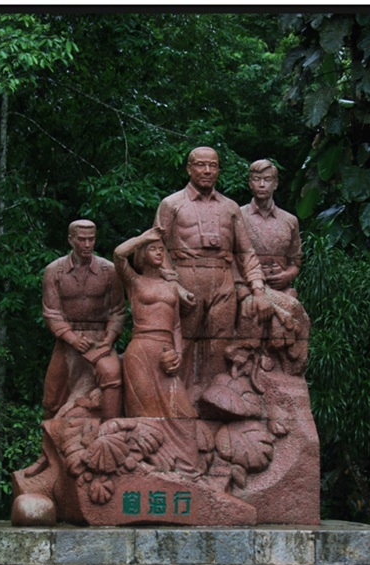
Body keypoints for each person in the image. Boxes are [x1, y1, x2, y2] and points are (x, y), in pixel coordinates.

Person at [153, 147, 269, 391]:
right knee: (181, 344)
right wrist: (173, 285)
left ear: (218, 169)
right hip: (186, 278)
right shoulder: (171, 204)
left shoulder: (230, 207)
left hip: (223, 282)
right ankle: (176, 402)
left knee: (219, 345)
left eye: (213, 165)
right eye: (200, 165)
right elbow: (156, 248)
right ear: (189, 168)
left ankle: (213, 402)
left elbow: (246, 252)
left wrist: (258, 290)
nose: (207, 170)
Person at [40, 219, 125, 419]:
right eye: (82, 240)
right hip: (68, 340)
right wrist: (72, 339)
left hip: (100, 339)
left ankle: (111, 430)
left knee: (112, 376)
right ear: (71, 240)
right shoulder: (55, 271)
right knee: (52, 400)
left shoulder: (109, 270)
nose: (87, 245)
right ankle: (53, 443)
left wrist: (109, 338)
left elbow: (118, 311)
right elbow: (51, 313)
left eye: (91, 239)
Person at [113, 227, 196, 419]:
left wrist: (179, 354)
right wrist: (143, 238)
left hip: (166, 351)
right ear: (142, 253)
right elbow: (118, 255)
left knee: (184, 414)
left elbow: (176, 325)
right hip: (141, 350)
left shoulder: (171, 287)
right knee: (143, 413)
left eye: (161, 249)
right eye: (153, 248)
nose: (159, 252)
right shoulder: (135, 282)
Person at [240, 159, 302, 297]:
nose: (262, 185)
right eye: (256, 179)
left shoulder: (289, 220)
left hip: (282, 289)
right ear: (250, 183)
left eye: (267, 179)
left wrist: (287, 276)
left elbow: (295, 261)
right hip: (248, 288)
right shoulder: (238, 216)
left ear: (275, 184)